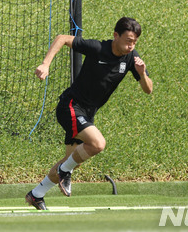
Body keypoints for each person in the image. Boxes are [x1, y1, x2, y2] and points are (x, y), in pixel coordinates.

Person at [26, 17, 153, 210]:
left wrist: (142, 73)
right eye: (128, 40)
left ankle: (36, 194)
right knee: (98, 144)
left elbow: (148, 90)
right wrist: (45, 64)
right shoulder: (97, 48)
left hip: (87, 113)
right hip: (70, 106)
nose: (131, 45)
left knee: (71, 162)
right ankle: (63, 172)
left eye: (134, 41)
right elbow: (62, 38)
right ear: (115, 35)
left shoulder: (131, 58)